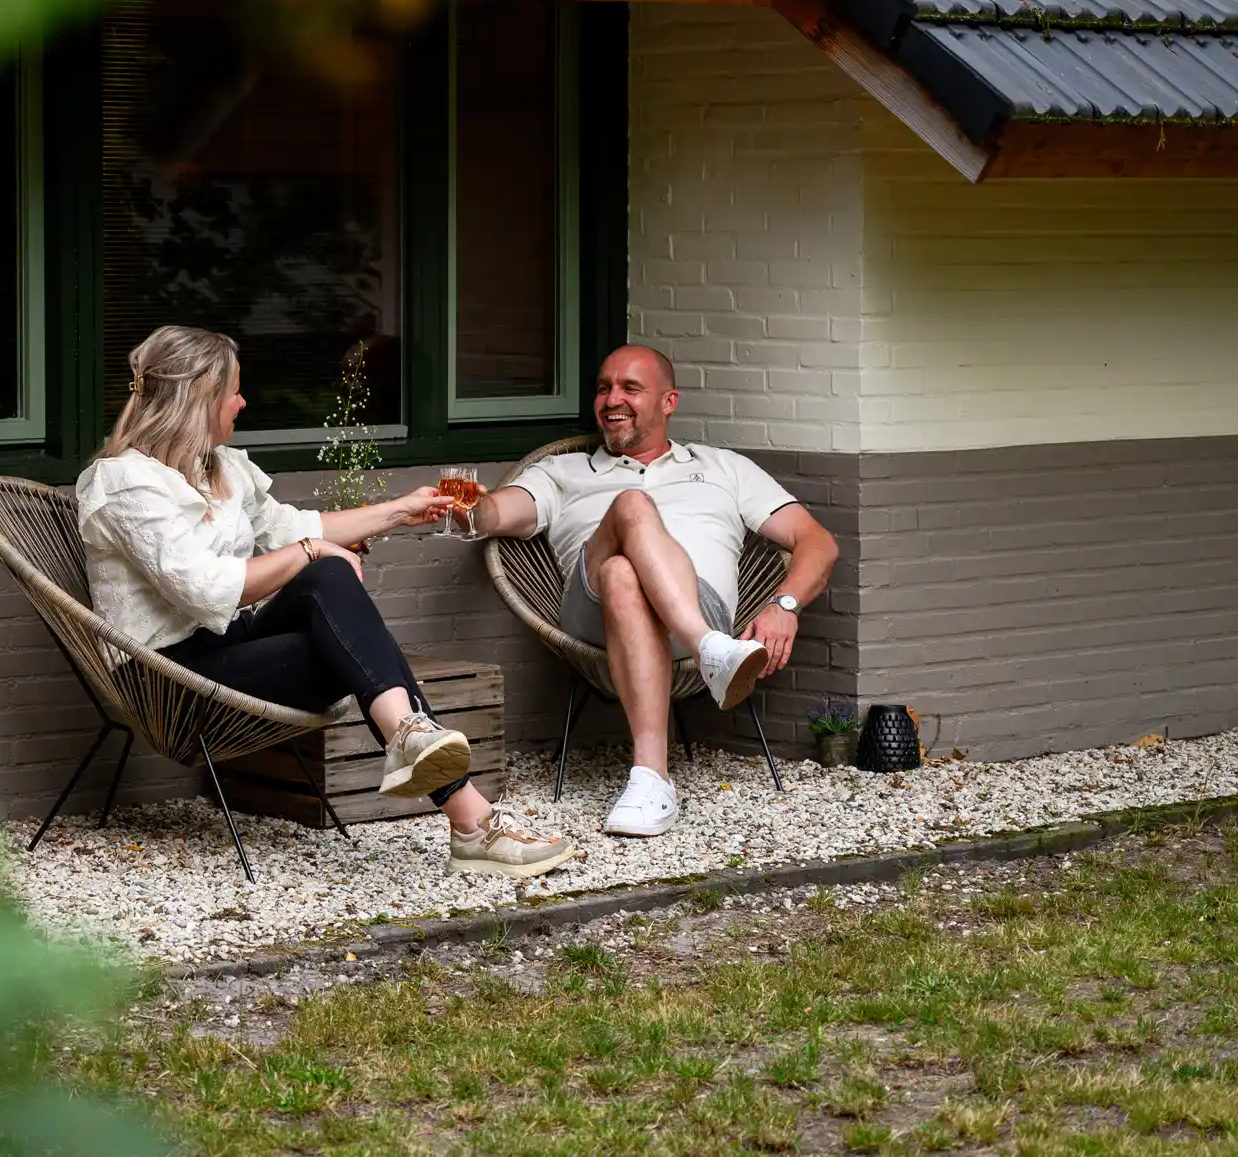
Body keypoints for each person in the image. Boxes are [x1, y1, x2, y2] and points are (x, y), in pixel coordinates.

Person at [75, 325, 575, 879]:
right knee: (347, 620)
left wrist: (399, 511)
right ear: (199, 398)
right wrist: (313, 553)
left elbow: (297, 528)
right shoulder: (124, 485)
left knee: (336, 596)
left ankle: (420, 749)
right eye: (234, 391)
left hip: (230, 647)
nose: (243, 401)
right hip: (167, 673)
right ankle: (464, 812)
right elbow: (208, 589)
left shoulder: (219, 469)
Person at [469, 345, 841, 839]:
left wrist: (783, 605)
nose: (611, 399)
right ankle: (712, 651)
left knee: (626, 573)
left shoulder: (725, 468)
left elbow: (816, 541)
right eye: (603, 387)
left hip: (697, 603)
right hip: (592, 614)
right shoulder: (563, 472)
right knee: (631, 506)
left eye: (630, 388)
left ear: (669, 402)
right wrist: (467, 507)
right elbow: (495, 514)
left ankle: (651, 783)